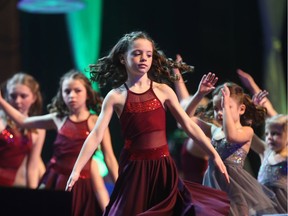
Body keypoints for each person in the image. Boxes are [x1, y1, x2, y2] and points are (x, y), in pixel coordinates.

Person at [66, 31, 231, 216]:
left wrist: (213, 154)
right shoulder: (115, 96)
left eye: (149, 54)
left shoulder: (163, 91)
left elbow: (188, 124)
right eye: (137, 53)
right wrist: (76, 169)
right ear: (123, 58)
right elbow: (96, 135)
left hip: (162, 168)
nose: (144, 58)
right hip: (133, 169)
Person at [0, 70, 119, 216]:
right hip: (55, 179)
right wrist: (1, 101)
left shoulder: (95, 122)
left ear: (87, 93)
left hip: (81, 183)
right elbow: (23, 121)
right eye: (67, 91)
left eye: (77, 91)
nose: (72, 96)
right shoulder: (58, 118)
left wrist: (121, 186)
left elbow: (109, 157)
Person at [186, 80, 278, 215]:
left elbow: (231, 136)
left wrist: (226, 107)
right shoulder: (214, 130)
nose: (219, 112)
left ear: (241, 109)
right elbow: (185, 118)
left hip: (235, 188)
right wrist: (199, 95)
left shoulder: (247, 131)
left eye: (225, 107)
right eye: (216, 108)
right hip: (213, 184)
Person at [171, 54, 213, 184]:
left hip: (201, 193)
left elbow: (183, 118)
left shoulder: (203, 138)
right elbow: (184, 100)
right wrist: (176, 71)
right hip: (189, 189)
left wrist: (199, 95)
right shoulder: (196, 131)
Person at [0, 73, 46, 188]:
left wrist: (32, 196)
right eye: (13, 96)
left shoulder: (38, 128)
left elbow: (32, 168)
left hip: (11, 186)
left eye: (23, 96)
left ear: (34, 98)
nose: (17, 101)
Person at [251, 114, 288, 214]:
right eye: (267, 134)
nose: (269, 138)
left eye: (275, 133)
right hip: (264, 211)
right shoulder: (265, 152)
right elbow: (249, 135)